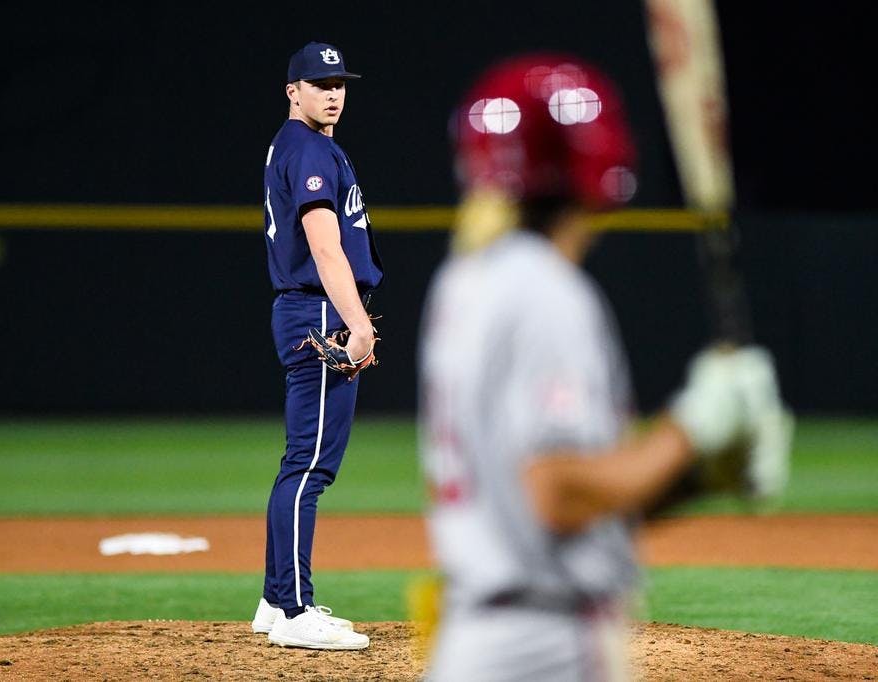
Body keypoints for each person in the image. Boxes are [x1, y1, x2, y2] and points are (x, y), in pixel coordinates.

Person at [417, 53, 792, 680]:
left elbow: (552, 504)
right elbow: (559, 493)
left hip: (481, 636)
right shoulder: (546, 293)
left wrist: (694, 475)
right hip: (544, 649)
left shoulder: (465, 283)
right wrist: (690, 428)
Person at [251, 41, 382, 651]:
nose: (333, 92)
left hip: (306, 308)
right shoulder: (308, 148)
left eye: (340, 83)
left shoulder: (298, 144)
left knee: (299, 461)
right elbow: (325, 248)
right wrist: (356, 323)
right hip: (320, 311)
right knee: (310, 465)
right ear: (292, 91)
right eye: (319, 82)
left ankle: (277, 602)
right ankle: (297, 611)